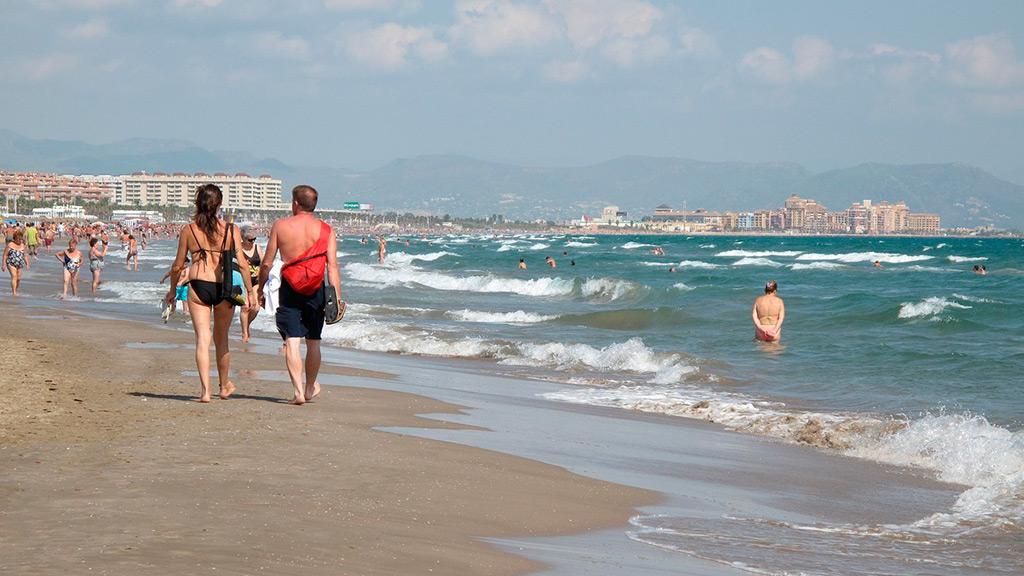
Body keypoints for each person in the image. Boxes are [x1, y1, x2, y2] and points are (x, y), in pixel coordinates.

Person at [165, 184, 257, 403]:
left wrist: (172, 291)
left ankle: (205, 392)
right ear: (219, 205)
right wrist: (251, 291)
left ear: (198, 203)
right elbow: (242, 263)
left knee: (202, 339)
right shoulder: (230, 230)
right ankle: (224, 386)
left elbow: (178, 266)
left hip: (198, 286)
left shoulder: (189, 230)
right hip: (224, 288)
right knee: (222, 339)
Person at [258, 185, 341, 406]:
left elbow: (266, 262)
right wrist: (337, 300)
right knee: (314, 342)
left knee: (292, 341)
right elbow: (332, 267)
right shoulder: (326, 230)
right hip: (316, 290)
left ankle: (297, 392)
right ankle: (309, 387)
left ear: (295, 203)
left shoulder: (281, 226)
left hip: (290, 289)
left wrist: (260, 288)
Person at [239, 225, 262, 342]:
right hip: (243, 281)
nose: (252, 242)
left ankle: (246, 326)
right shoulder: (238, 249)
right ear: (242, 238)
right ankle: (244, 334)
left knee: (256, 308)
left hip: (256, 281)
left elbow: (263, 264)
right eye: (250, 239)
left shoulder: (257, 248)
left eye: (254, 239)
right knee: (245, 307)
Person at [3, 229, 30, 296]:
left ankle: (15, 289)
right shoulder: (10, 245)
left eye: (21, 239)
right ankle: (14, 293)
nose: (19, 241)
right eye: (18, 239)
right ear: (15, 238)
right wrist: (3, 264)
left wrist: (27, 264)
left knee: (18, 279)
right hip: (11, 263)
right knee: (14, 276)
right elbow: (5, 255)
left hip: (20, 264)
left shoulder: (23, 245)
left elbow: (25, 255)